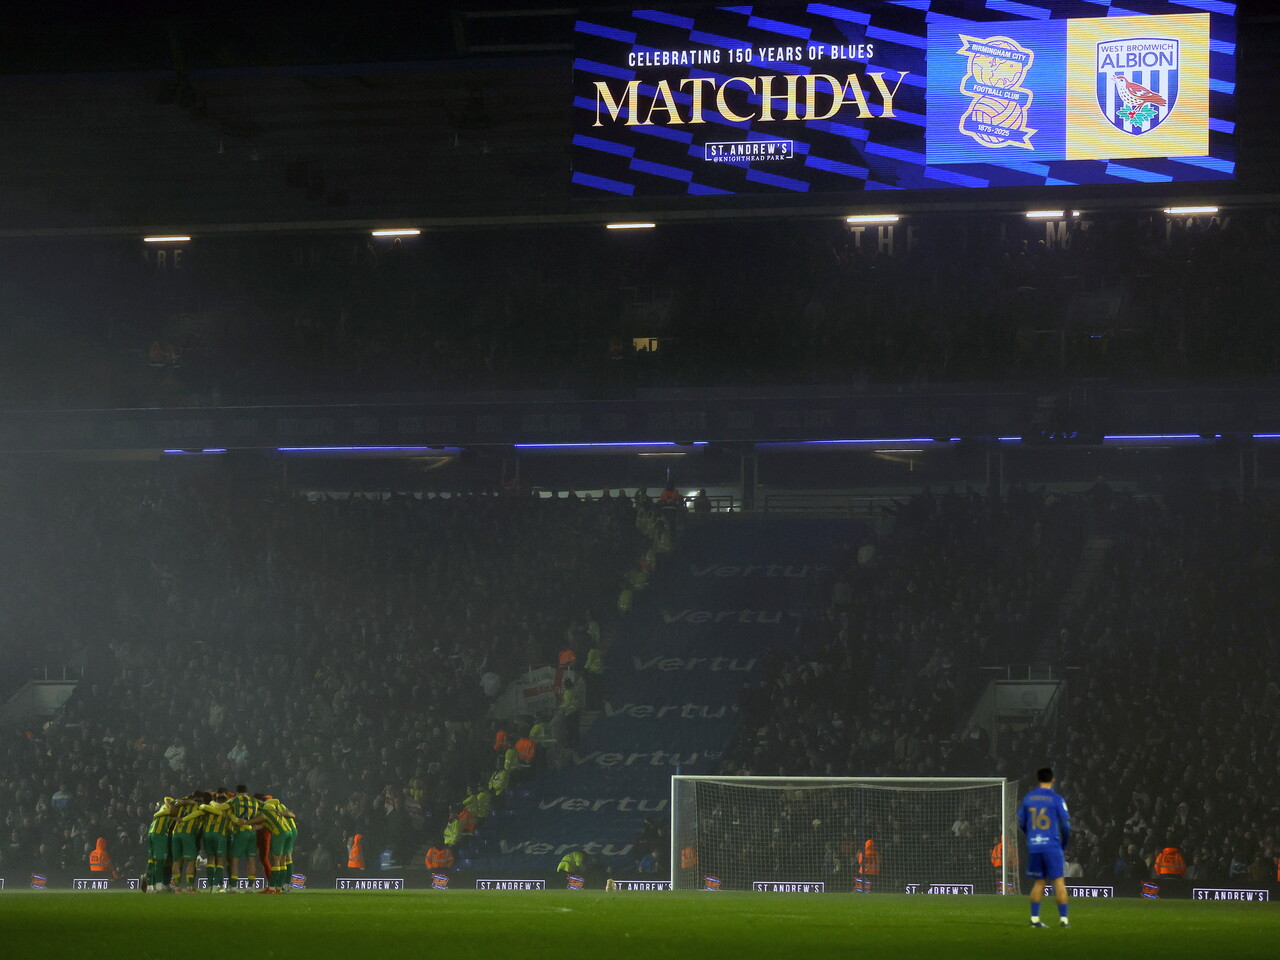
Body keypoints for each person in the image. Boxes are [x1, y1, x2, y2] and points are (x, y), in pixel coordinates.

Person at [1018, 766, 1071, 929]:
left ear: (1038, 780)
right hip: (1052, 846)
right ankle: (1064, 921)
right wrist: (1064, 843)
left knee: (1039, 883)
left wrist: (1031, 835)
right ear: (1053, 780)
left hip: (1035, 846)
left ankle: (1034, 920)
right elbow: (1066, 824)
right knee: (1059, 882)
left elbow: (1020, 822)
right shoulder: (1056, 799)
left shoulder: (1028, 798)